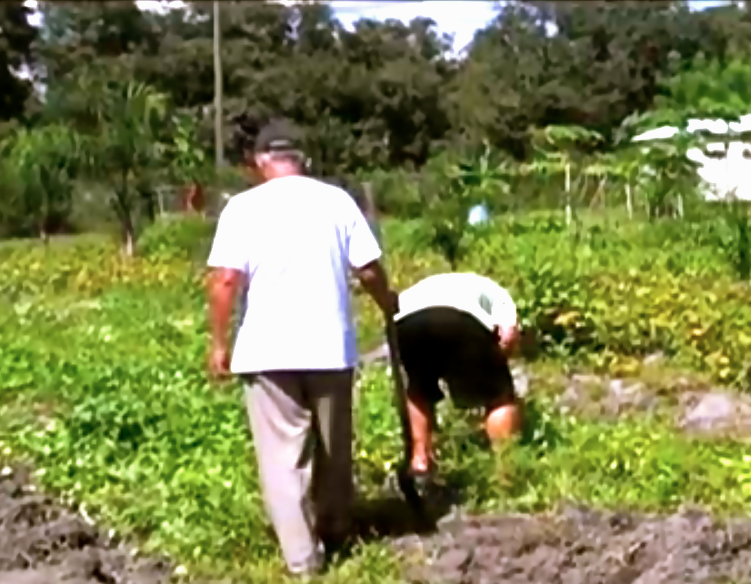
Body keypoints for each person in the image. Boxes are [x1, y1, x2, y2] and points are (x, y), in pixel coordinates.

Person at [205, 119, 398, 577]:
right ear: (302, 160)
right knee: (334, 449)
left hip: (267, 352)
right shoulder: (335, 201)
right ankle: (335, 530)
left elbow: (225, 280)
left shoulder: (243, 209)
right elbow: (368, 269)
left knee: (281, 459)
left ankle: (303, 561)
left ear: (259, 162)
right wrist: (389, 304)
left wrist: (218, 342)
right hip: (328, 347)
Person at [392, 272, 522, 486]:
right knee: (499, 396)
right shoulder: (500, 295)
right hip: (460, 315)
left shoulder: (428, 284)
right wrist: (495, 362)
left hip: (406, 321)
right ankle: (505, 470)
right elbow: (508, 336)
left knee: (418, 388)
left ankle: (420, 462)